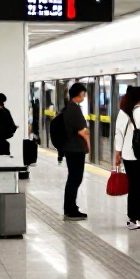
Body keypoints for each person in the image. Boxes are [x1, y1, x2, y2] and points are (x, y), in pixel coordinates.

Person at [113, 85, 140, 230]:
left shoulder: (122, 113)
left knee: (133, 186)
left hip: (127, 155)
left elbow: (118, 134)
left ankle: (134, 216)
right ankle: (137, 218)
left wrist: (117, 153)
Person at [58, 83, 90, 221]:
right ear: (80, 93)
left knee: (73, 178)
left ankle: (71, 207)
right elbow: (82, 131)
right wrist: (88, 143)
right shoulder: (74, 109)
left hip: (71, 148)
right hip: (75, 149)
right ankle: (70, 209)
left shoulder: (68, 107)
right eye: (83, 93)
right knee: (75, 178)